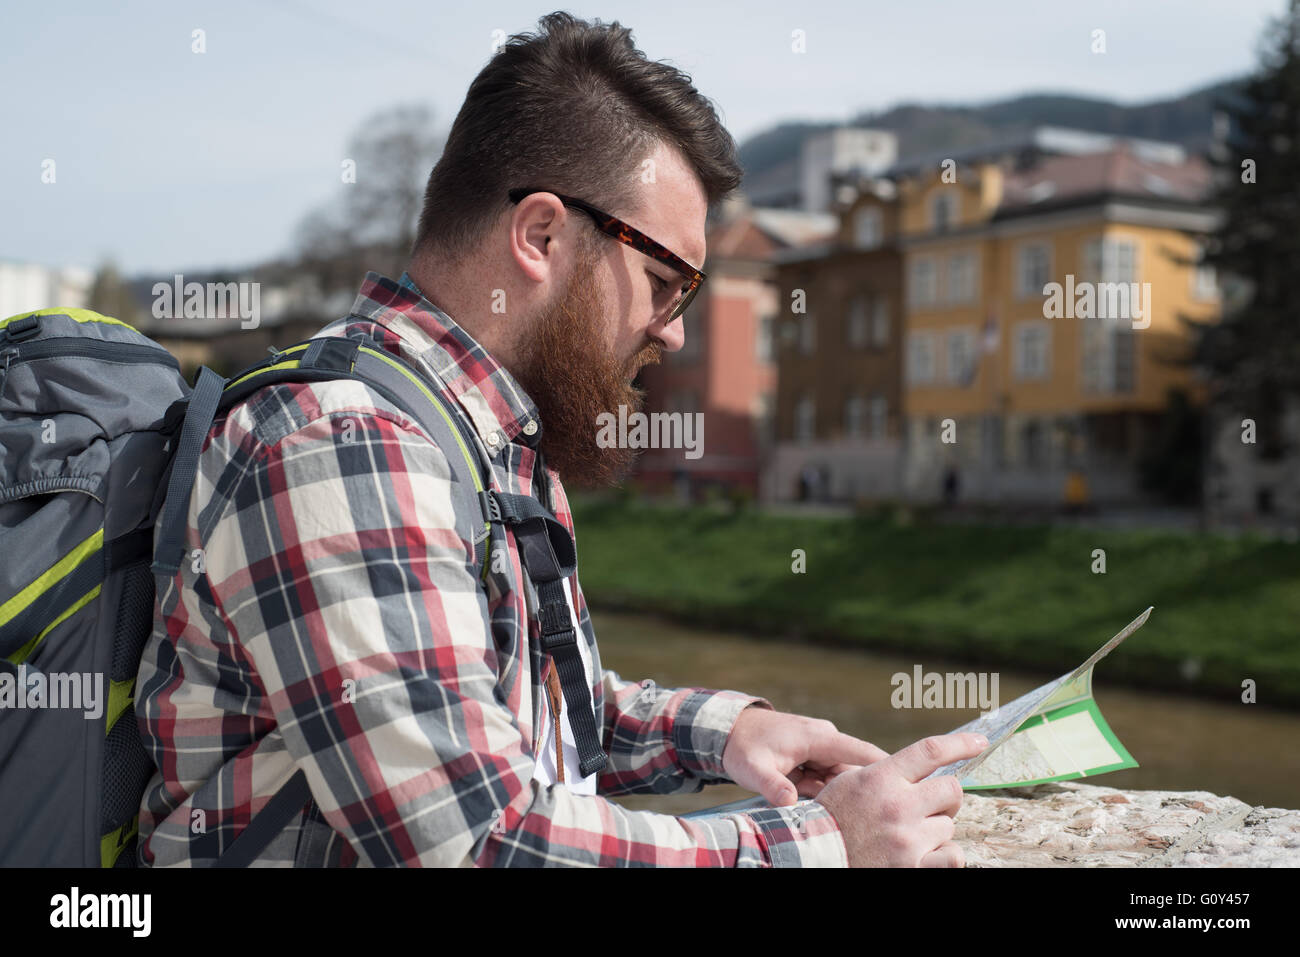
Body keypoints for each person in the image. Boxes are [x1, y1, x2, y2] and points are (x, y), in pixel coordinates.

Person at [136, 10, 984, 867]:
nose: (674, 331)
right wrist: (827, 844)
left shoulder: (491, 440)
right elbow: (478, 838)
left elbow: (530, 718)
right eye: (664, 281)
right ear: (540, 234)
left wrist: (730, 732)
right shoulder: (347, 444)